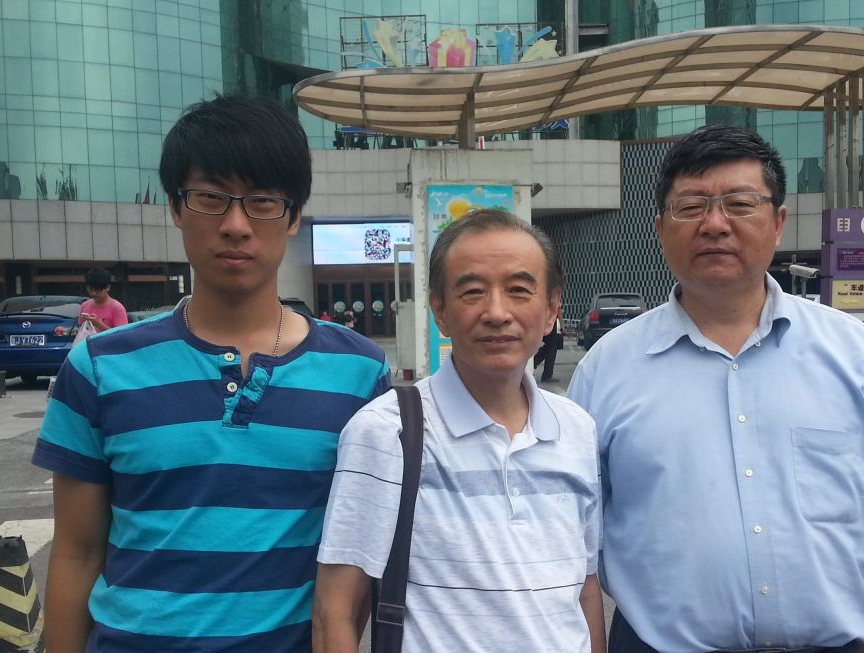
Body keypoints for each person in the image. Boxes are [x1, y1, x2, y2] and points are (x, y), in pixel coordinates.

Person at [568, 124, 864, 653]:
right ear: (660, 228)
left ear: (778, 222)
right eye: (691, 207)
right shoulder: (606, 369)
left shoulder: (851, 352)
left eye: (739, 204)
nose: (715, 224)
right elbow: (572, 543)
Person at [33, 95, 391, 652]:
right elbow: (78, 552)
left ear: (294, 215)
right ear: (176, 207)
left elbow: (363, 557)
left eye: (263, 201)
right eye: (210, 198)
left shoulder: (359, 374)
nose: (235, 225)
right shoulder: (98, 367)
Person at [313, 210, 606, 653]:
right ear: (440, 311)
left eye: (519, 290)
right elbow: (335, 612)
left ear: (551, 311)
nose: (496, 313)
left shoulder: (577, 429)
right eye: (472, 292)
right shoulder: (387, 431)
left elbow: (584, 589)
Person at [78, 267, 128, 333]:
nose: (93, 293)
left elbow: (122, 334)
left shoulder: (117, 308)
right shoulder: (85, 305)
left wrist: (100, 325)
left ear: (108, 287)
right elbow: (80, 329)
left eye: (97, 290)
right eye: (90, 289)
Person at [533, 303, 563, 382]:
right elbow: (558, 309)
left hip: (542, 320)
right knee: (552, 347)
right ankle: (546, 374)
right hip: (550, 322)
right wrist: (562, 326)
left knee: (547, 346)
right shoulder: (554, 296)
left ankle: (533, 362)